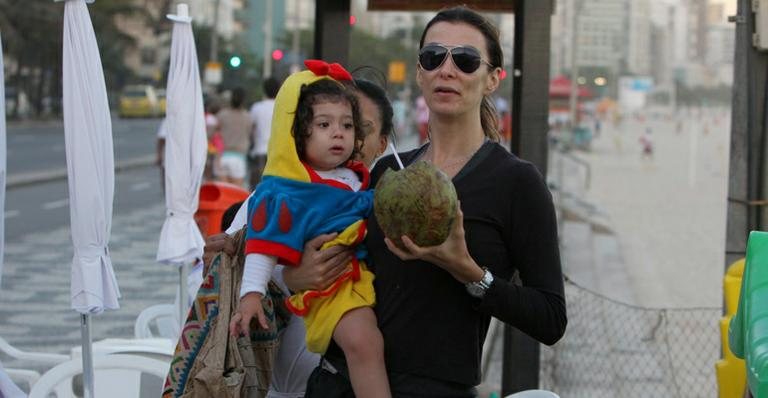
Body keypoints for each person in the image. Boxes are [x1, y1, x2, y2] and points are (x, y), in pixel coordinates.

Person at [303, 6, 567, 396]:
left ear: (492, 79)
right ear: (419, 72)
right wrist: (302, 271)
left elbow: (550, 319)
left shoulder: (516, 182)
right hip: (340, 382)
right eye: (433, 57)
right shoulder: (387, 172)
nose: (447, 70)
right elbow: (341, 269)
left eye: (465, 60)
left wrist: (468, 272)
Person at [203, 75, 395, 397]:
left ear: (382, 143)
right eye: (324, 124)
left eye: (353, 126)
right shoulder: (278, 195)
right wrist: (288, 277)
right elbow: (229, 276)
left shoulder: (375, 197)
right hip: (277, 384)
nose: (342, 135)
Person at [216, 87, 254, 187]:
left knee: (223, 192)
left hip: (223, 156)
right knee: (235, 194)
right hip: (239, 158)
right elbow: (250, 135)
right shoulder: (248, 117)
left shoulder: (222, 115)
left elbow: (215, 133)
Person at [248, 77, 282, 189]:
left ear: (264, 90)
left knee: (258, 188)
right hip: (278, 153)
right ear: (279, 89)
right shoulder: (283, 107)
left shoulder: (256, 108)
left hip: (260, 151)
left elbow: (251, 130)